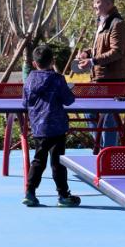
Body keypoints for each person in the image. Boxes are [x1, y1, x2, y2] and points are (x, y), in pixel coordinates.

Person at [21, 45, 81, 208]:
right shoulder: (58, 79)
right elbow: (69, 100)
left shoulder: (29, 80)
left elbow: (25, 103)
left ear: (34, 63)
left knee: (38, 160)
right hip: (57, 127)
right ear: (52, 61)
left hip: (38, 127)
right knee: (58, 162)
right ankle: (63, 195)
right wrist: (68, 89)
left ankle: (30, 193)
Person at [74, 0, 125, 148]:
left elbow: (117, 52)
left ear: (109, 3)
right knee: (89, 110)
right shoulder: (102, 22)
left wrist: (92, 61)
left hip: (113, 80)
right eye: (94, 2)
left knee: (108, 119)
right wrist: (86, 53)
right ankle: (102, 147)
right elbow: (99, 48)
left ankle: (107, 152)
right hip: (99, 78)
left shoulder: (117, 24)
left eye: (97, 2)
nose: (94, 5)